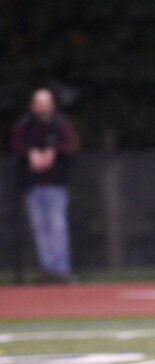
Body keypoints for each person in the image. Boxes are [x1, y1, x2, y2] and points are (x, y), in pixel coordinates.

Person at [10, 88, 81, 284]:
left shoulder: (61, 123)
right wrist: (30, 154)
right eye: (39, 103)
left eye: (46, 103)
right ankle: (48, 271)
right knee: (40, 227)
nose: (43, 107)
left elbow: (72, 144)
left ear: (52, 105)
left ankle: (62, 271)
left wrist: (53, 153)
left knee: (57, 226)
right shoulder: (25, 124)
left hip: (56, 184)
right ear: (33, 105)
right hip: (32, 185)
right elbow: (15, 145)